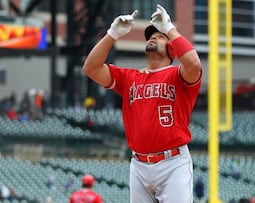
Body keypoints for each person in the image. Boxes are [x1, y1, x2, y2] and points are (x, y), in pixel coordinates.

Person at [82, 4, 202, 203]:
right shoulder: (130, 77)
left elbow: (194, 64)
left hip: (172, 163)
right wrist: (112, 34)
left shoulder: (178, 74)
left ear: (172, 48)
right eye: (150, 36)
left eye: (159, 36)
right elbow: (91, 68)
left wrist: (169, 29)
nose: (153, 37)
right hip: (138, 164)